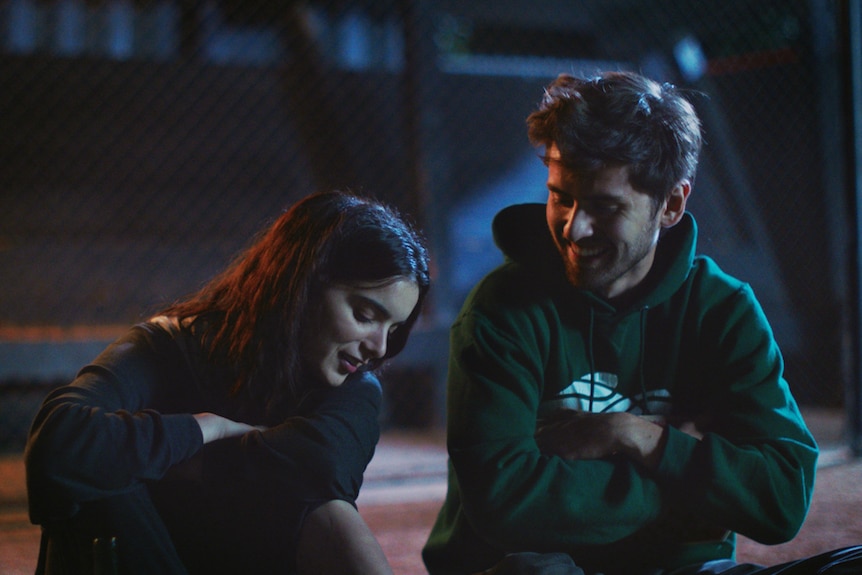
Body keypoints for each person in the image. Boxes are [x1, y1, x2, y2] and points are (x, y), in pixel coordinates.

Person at [422, 71, 862, 575]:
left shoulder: (723, 309)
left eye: (605, 207)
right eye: (562, 197)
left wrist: (637, 437)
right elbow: (506, 505)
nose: (574, 227)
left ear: (671, 204)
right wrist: (698, 480)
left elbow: (781, 500)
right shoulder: (501, 310)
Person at [25, 189, 431, 575]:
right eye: (364, 314)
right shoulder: (166, 346)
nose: (379, 347)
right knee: (96, 480)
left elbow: (324, 465)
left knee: (329, 511)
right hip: (148, 553)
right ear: (303, 285)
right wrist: (206, 427)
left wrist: (167, 461)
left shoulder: (355, 388)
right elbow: (56, 444)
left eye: (393, 329)